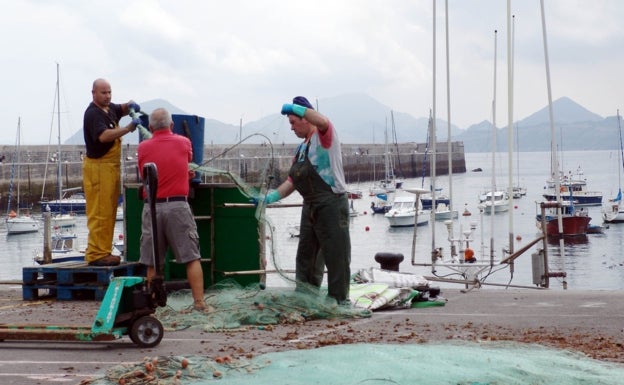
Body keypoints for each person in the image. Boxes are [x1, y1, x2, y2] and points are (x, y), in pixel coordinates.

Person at [264, 96, 351, 304]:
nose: (292, 128)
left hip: (331, 202)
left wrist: (295, 108)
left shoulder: (325, 137)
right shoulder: (301, 149)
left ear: (306, 118)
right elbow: (292, 181)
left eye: (293, 122)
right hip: (310, 205)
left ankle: (339, 300)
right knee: (306, 256)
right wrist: (270, 197)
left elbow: (323, 121)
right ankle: (306, 298)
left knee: (336, 256)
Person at [137, 107, 207, 311]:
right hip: (178, 206)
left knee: (152, 261)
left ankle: (152, 306)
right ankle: (200, 303)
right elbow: (185, 162)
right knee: (191, 257)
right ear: (172, 125)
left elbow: (146, 175)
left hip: (152, 207)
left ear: (150, 127)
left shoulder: (143, 147)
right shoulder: (183, 142)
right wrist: (186, 175)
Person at [83, 78, 141, 266]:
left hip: (111, 168)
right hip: (98, 168)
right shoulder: (93, 114)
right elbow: (104, 136)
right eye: (103, 93)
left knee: (108, 210)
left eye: (109, 92)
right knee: (99, 211)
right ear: (93, 93)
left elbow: (120, 108)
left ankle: (104, 250)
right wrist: (127, 128)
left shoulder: (109, 109)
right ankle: (96, 254)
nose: (107, 96)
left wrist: (130, 105)